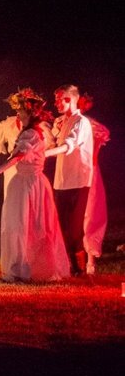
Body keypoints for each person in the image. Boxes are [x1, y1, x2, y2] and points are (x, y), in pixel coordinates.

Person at [0, 90, 69, 282]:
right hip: (30, 182)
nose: (19, 114)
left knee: (23, 225)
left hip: (28, 184)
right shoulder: (30, 132)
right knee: (25, 224)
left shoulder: (31, 133)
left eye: (22, 111)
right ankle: (23, 267)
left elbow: (19, 156)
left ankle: (24, 269)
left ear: (31, 114)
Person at [45, 84, 94, 276]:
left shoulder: (80, 122)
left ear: (70, 99)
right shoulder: (64, 121)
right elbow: (58, 142)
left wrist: (46, 153)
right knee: (63, 226)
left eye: (59, 98)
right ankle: (70, 267)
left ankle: (79, 268)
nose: (56, 102)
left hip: (78, 181)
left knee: (74, 229)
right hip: (62, 182)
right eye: (56, 98)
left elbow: (68, 146)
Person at [0, 87, 55, 194]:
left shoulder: (36, 129)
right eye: (17, 111)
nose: (18, 114)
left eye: (20, 111)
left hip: (28, 172)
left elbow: (21, 155)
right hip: (12, 170)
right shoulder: (9, 123)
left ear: (30, 112)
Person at [77, 93, 108, 275]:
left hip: (89, 171)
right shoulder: (61, 124)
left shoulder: (93, 126)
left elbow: (96, 147)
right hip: (71, 173)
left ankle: (90, 259)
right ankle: (75, 258)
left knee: (91, 212)